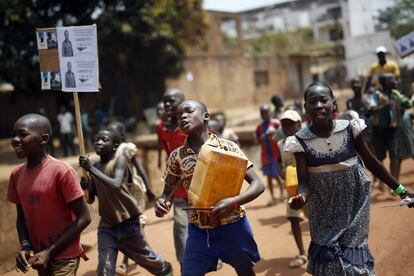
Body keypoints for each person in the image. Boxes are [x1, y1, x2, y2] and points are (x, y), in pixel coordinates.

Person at [286, 82, 414, 275]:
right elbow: (303, 180)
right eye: (313, 102)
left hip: (355, 203)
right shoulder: (299, 141)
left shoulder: (350, 129)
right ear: (306, 109)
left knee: (355, 263)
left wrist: (401, 190)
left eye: (324, 100)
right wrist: (301, 197)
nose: (319, 105)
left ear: (334, 104)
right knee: (329, 263)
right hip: (323, 209)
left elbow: (371, 162)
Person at [155, 99, 264, 276]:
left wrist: (234, 202)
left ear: (206, 116)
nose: (182, 116)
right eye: (178, 115)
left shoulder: (228, 148)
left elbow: (258, 184)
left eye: (189, 111)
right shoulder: (177, 156)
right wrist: (161, 202)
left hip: (233, 226)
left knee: (244, 270)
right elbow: (166, 192)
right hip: (198, 230)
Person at [79, 129, 172, 276]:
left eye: (104, 139)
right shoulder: (95, 167)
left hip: (128, 223)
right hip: (107, 226)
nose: (99, 142)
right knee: (105, 267)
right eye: (97, 139)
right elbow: (90, 198)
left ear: (115, 146)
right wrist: (85, 187)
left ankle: (164, 268)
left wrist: (90, 169)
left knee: (147, 258)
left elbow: (116, 184)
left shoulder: (119, 160)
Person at [8, 114, 91, 275]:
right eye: (13, 135)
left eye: (23, 134)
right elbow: (21, 218)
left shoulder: (61, 171)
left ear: (43, 139)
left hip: (65, 254)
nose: (15, 140)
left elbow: (85, 217)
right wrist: (25, 246)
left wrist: (50, 251)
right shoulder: (16, 175)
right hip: (39, 256)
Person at [107, 121, 156, 276]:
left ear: (121, 135)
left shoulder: (126, 148)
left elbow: (139, 167)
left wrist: (148, 189)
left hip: (134, 189)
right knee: (128, 222)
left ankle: (124, 261)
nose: (111, 135)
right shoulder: (108, 150)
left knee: (133, 220)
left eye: (115, 132)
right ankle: (141, 247)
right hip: (118, 191)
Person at [155, 88, 188, 269]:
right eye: (165, 101)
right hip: (179, 189)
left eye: (172, 101)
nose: (167, 105)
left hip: (202, 189)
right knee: (181, 230)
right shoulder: (163, 128)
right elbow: (168, 152)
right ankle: (184, 266)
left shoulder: (194, 127)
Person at [368, 73, 412, 187]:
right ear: (386, 82)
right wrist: (384, 105)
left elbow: (407, 104)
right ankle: (382, 180)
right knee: (379, 157)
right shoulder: (375, 95)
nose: (396, 82)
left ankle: (395, 184)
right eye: (393, 80)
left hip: (392, 130)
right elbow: (371, 110)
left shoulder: (396, 94)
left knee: (394, 154)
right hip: (378, 130)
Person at [277, 110, 308, 269]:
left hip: (310, 186)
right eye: (284, 125)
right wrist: (281, 171)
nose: (288, 128)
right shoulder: (281, 144)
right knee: (293, 218)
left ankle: (319, 249)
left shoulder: (307, 140)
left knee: (315, 218)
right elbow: (278, 162)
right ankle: (302, 253)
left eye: (291, 124)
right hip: (292, 187)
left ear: (299, 124)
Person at [255, 104, 285, 206]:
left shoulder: (276, 123)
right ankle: (273, 197)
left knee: (277, 175)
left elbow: (282, 133)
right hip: (266, 155)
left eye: (266, 113)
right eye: (263, 114)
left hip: (276, 154)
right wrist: (262, 137)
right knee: (269, 176)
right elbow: (256, 140)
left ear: (270, 113)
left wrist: (273, 133)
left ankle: (282, 194)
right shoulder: (259, 127)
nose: (265, 115)